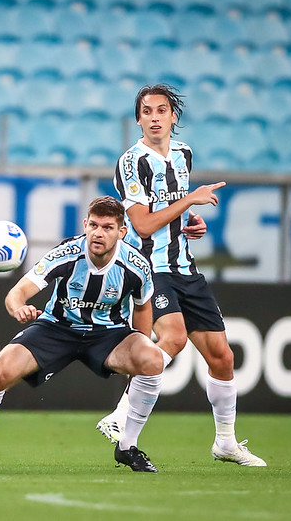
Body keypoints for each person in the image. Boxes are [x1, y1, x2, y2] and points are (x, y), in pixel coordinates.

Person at [96, 84, 266, 467]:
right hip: (149, 267)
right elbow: (140, 225)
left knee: (222, 357)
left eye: (162, 110)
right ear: (138, 119)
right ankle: (121, 417)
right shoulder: (131, 162)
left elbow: (170, 209)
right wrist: (190, 200)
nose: (155, 117)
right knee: (172, 336)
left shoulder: (184, 155)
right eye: (147, 111)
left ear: (174, 117)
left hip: (185, 267)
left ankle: (225, 442)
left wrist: (191, 223)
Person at [0, 196, 164, 472]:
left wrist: (140, 346)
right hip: (56, 328)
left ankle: (127, 446)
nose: (98, 233)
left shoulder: (136, 265)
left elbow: (143, 307)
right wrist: (18, 308)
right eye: (93, 225)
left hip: (108, 333)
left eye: (107, 228)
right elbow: (17, 293)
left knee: (153, 359)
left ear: (122, 232)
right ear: (85, 224)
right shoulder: (67, 253)